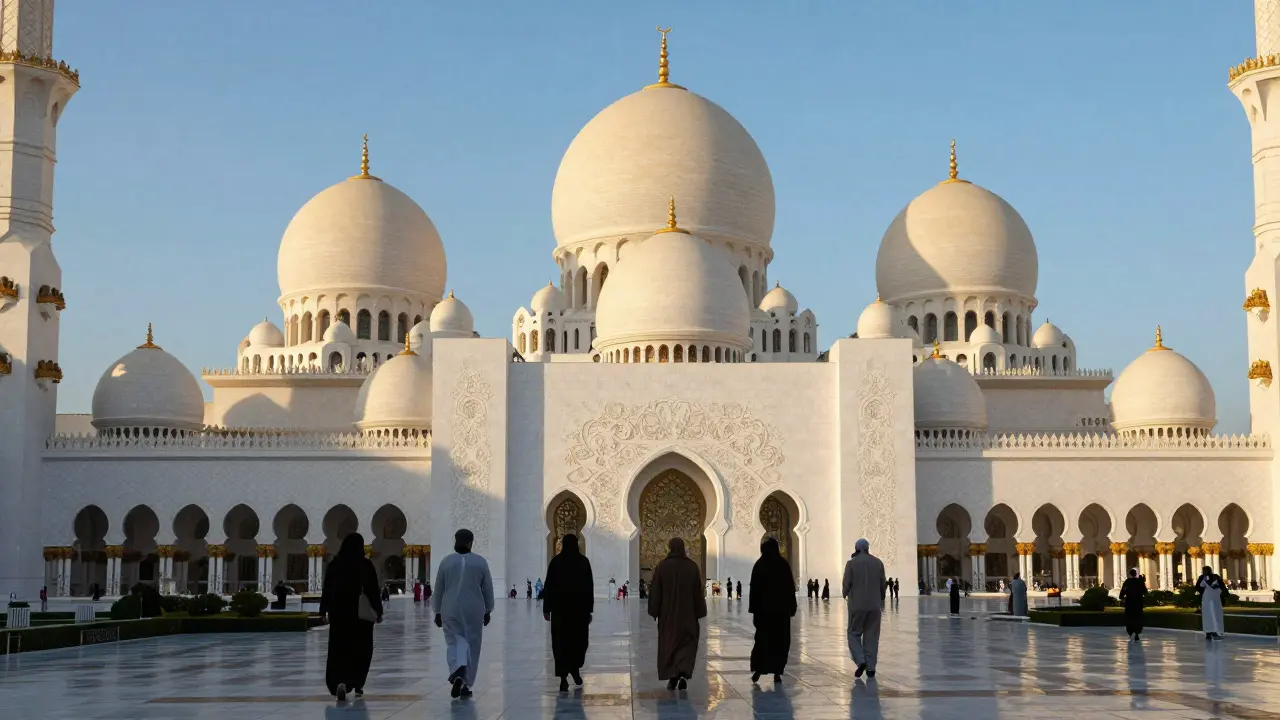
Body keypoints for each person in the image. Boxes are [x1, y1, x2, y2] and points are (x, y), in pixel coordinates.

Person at [319, 532, 383, 703]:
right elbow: (373, 590)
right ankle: (357, 682)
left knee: (339, 649)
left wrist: (323, 610)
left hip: (339, 614)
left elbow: (327, 588)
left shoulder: (335, 564)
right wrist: (378, 611)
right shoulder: (365, 565)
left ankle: (339, 682)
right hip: (360, 616)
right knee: (361, 648)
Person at [433, 528, 495, 699]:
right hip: (473, 609)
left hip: (450, 608)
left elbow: (438, 590)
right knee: (472, 645)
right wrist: (488, 609)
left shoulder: (446, 562)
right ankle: (465, 683)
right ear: (470, 543)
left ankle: (457, 670)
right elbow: (487, 588)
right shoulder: (480, 562)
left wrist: (437, 611)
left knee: (455, 641)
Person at [648, 537, 708, 690]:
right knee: (687, 644)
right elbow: (697, 592)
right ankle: (683, 674)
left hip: (668, 617)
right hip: (688, 616)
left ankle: (673, 676)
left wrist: (654, 610)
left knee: (669, 644)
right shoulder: (692, 567)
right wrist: (700, 611)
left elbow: (656, 591)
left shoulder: (662, 566)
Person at [542, 533, 593, 692]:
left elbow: (548, 587)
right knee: (578, 642)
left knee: (561, 643)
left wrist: (547, 608)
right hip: (578, 612)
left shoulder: (556, 562)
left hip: (560, 612)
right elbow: (589, 588)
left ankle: (565, 676)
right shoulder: (583, 562)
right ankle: (573, 671)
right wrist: (589, 610)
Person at [748, 537, 797, 683]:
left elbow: (754, 590)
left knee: (763, 640)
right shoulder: (783, 565)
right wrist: (792, 606)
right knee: (780, 641)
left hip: (764, 612)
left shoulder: (760, 564)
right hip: (780, 612)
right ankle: (777, 671)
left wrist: (754, 609)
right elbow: (790, 588)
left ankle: (759, 669)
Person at [842, 538, 886, 679]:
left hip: (857, 606)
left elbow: (846, 584)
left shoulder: (851, 564)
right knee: (872, 636)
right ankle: (871, 668)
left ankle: (861, 661)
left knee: (853, 633)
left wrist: (845, 593)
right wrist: (881, 598)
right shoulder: (878, 563)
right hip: (874, 606)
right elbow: (883, 584)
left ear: (856, 548)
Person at [1196, 566, 1225, 639]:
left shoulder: (1202, 577)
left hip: (1207, 597)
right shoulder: (1215, 577)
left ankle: (1209, 632)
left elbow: (1198, 587)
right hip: (1214, 597)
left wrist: (1204, 591)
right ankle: (1214, 631)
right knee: (1215, 614)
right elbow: (1222, 586)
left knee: (1208, 615)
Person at [1119, 568, 1147, 641]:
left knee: (1129, 618)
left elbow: (1121, 594)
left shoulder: (1127, 582)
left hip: (1129, 603)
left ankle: (1130, 632)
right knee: (1138, 618)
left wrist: (1123, 597)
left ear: (1130, 574)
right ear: (1136, 574)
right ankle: (1137, 633)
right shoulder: (1140, 582)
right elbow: (1145, 592)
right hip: (1138, 603)